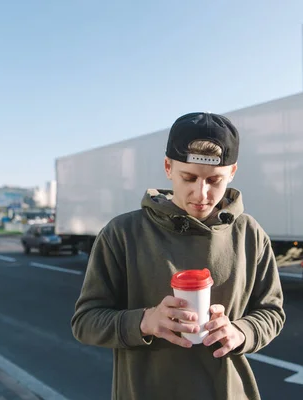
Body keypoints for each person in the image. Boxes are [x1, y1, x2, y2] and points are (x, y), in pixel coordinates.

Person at [71, 112, 286, 400]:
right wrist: (145, 322)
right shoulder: (123, 233)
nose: (202, 193)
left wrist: (241, 332)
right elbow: (85, 322)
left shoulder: (250, 233)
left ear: (232, 172)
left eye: (214, 180)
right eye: (189, 178)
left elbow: (272, 312)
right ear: (168, 167)